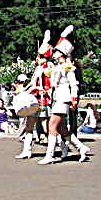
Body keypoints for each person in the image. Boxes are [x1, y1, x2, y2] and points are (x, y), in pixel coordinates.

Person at [38, 28, 90, 164]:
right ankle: (81, 147)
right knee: (62, 129)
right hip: (57, 99)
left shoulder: (68, 67)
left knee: (51, 126)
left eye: (56, 52)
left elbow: (74, 85)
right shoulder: (58, 66)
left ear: (62, 54)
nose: (53, 53)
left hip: (63, 99)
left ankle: (49, 155)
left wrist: (74, 99)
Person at [11, 74, 40, 159]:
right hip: (31, 107)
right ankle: (27, 150)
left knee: (29, 129)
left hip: (30, 107)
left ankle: (27, 151)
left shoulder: (25, 87)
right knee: (29, 129)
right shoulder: (22, 88)